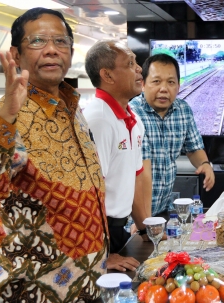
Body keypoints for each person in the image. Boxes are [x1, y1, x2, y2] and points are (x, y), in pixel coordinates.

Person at [0, 8, 109, 302]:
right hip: (32, 291)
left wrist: (106, 252)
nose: (52, 50)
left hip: (90, 286)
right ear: (15, 55)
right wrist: (6, 118)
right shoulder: (3, 116)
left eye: (61, 42)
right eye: (38, 41)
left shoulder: (73, 109)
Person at [83, 40, 151, 272]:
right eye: (130, 63)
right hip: (95, 237)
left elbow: (135, 176)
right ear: (108, 76)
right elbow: (87, 192)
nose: (139, 69)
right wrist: (100, 256)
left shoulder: (132, 119)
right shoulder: (98, 119)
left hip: (116, 231)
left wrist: (145, 229)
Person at [130, 54, 215, 216]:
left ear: (178, 86)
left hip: (163, 209)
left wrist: (204, 164)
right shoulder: (132, 114)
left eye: (171, 82)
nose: (164, 88)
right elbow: (139, 175)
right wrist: (141, 221)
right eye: (156, 81)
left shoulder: (183, 110)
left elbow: (193, 147)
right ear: (143, 84)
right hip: (133, 216)